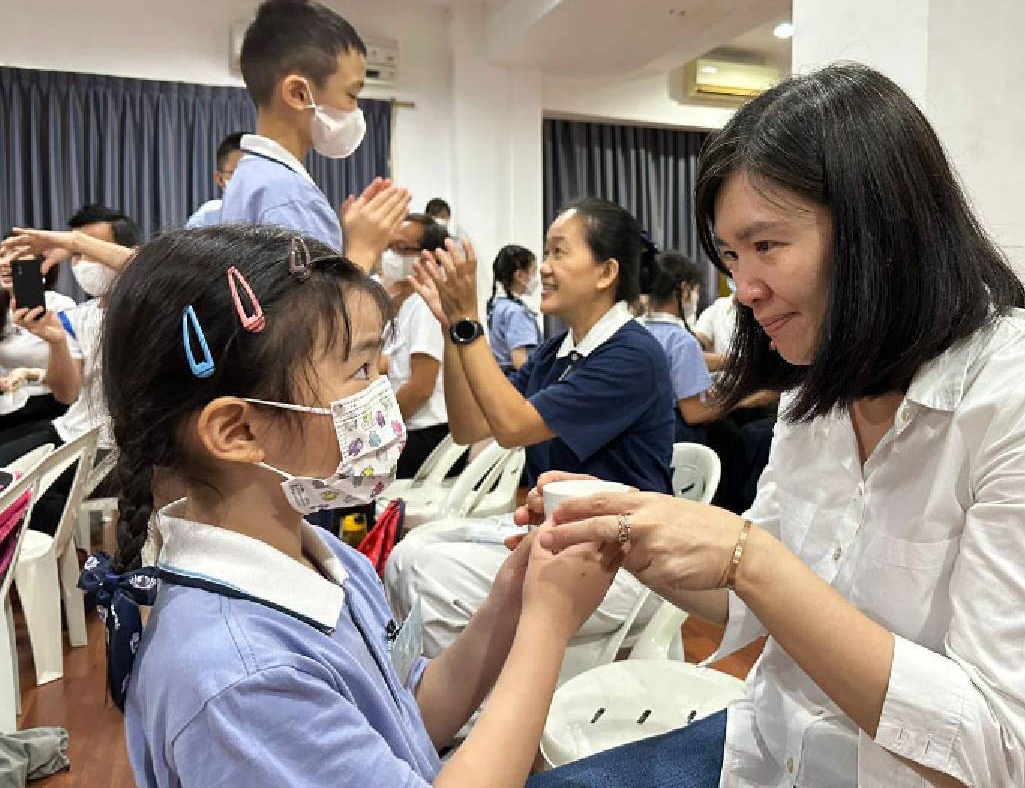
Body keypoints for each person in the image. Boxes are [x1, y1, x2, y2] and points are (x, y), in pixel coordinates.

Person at [526, 63, 1025, 787]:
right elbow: (760, 598)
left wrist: (749, 556)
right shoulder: (819, 391)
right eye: (730, 256)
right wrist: (632, 530)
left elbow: (1000, 751)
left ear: (880, 233)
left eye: (767, 246)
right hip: (791, 745)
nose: (744, 290)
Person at [92, 224, 619, 788]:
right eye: (362, 370)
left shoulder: (329, 561)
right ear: (238, 429)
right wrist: (548, 626)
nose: (385, 386)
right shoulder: (243, 677)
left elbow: (406, 712)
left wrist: (513, 600)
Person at [384, 198, 675, 656]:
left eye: (560, 252)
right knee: (411, 551)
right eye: (547, 253)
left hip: (621, 558)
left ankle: (471, 714)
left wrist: (468, 324)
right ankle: (434, 697)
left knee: (427, 571)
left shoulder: (632, 355)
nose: (545, 268)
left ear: (606, 272)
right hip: (562, 538)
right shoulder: (556, 351)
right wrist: (451, 331)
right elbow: (470, 426)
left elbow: (513, 427)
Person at [220, 0, 407, 272]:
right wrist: (363, 251)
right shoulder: (289, 197)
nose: (355, 109)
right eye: (351, 94)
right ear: (298, 93)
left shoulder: (251, 178)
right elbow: (319, 315)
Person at [0, 205, 139, 533]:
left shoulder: (144, 307)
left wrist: (74, 242)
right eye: (76, 256)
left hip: (109, 444)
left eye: (88, 250)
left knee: (39, 508)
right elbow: (67, 392)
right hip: (69, 430)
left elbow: (149, 265)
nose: (81, 264)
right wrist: (56, 341)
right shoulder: (77, 317)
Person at [378, 214, 452, 478]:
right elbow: (389, 363)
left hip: (425, 433)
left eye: (400, 249)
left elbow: (421, 387)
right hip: (411, 426)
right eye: (388, 247)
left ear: (427, 256)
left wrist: (380, 429)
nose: (390, 256)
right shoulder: (405, 302)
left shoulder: (425, 305)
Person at [639, 252, 712, 443]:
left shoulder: (632, 329)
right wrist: (741, 400)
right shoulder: (681, 341)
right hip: (671, 437)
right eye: (696, 289)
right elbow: (694, 413)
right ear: (684, 289)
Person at [0, 253, 74, 437]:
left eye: (16, 257)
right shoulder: (2, 306)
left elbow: (72, 379)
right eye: (2, 255)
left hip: (45, 405)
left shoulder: (60, 306)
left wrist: (28, 375)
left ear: (42, 267)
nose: (5, 263)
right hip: (7, 403)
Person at [486, 244, 541, 374]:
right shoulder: (516, 312)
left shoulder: (498, 306)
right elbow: (521, 361)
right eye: (534, 271)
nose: (536, 279)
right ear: (520, 276)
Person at [185, 131, 249, 228]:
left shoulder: (273, 214)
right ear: (219, 179)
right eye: (238, 173)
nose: (250, 180)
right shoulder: (205, 219)